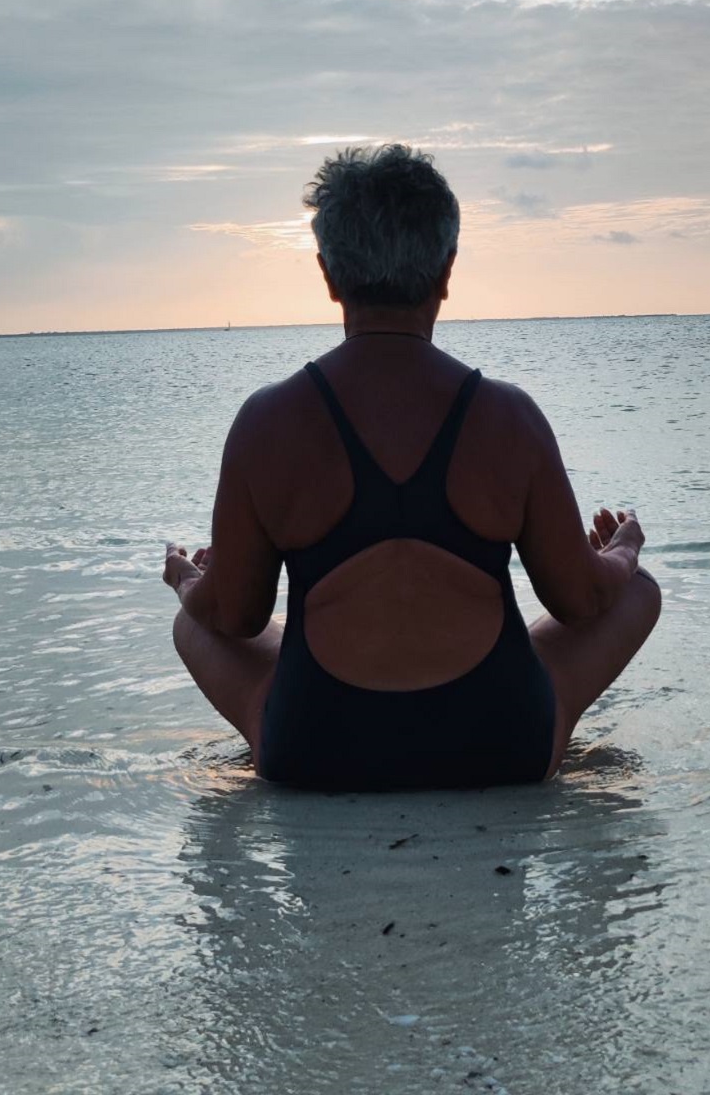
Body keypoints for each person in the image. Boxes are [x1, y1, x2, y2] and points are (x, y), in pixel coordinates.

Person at [163, 144, 661, 789]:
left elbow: (235, 617)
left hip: (317, 751)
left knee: (192, 623)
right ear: (447, 270)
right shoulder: (509, 416)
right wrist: (621, 552)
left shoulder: (267, 420)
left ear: (329, 275)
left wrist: (187, 580)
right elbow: (580, 599)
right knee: (638, 591)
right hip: (501, 745)